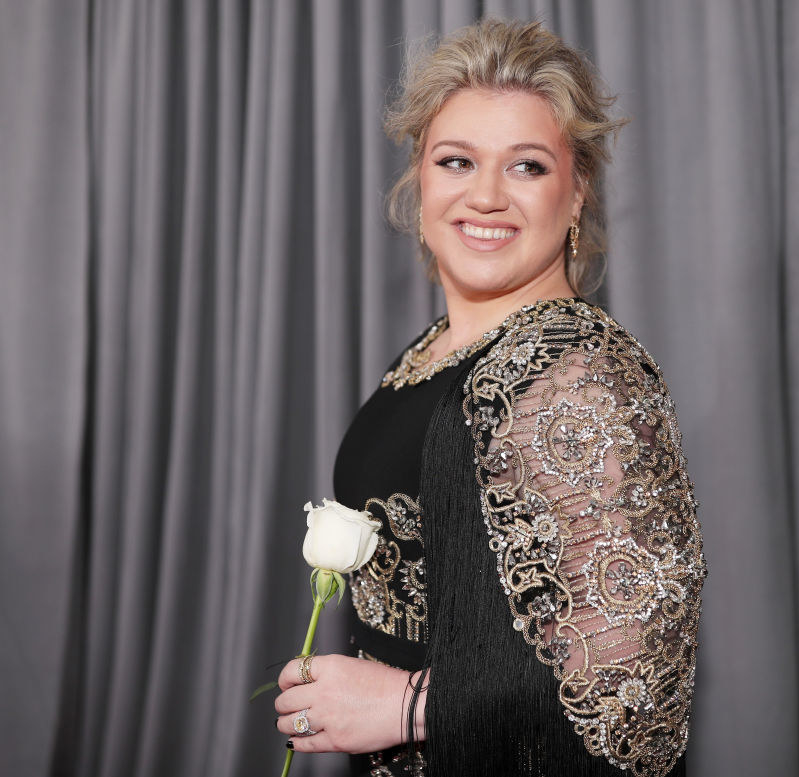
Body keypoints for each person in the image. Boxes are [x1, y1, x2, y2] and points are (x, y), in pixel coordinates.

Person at [275, 19, 706, 777]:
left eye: (527, 167)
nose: (485, 195)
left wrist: (406, 706)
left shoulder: (576, 374)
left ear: (577, 195)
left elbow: (639, 693)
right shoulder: (435, 348)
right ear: (421, 177)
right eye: (457, 160)